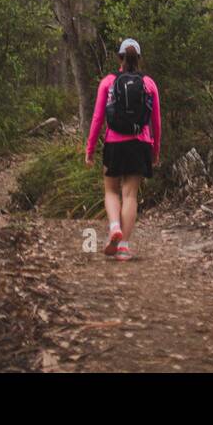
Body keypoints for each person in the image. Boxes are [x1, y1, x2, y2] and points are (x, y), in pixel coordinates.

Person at [85, 38, 161, 261]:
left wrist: (90, 149)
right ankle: (124, 246)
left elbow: (98, 118)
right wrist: (155, 150)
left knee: (111, 190)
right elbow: (156, 121)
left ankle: (114, 226)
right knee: (130, 194)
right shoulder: (149, 83)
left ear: (120, 58)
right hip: (140, 143)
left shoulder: (108, 82)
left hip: (114, 143)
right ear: (139, 58)